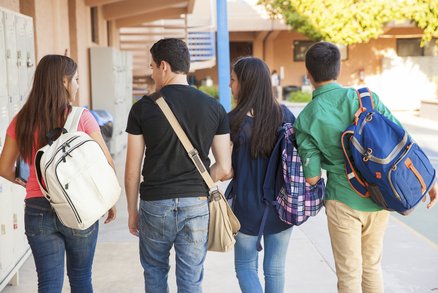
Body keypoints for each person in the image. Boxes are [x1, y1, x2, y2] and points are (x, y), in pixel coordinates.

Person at [293, 42, 438, 293]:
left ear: (308, 74)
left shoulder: (306, 118)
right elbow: (402, 140)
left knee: (349, 272)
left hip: (342, 200)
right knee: (371, 266)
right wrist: (428, 181)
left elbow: (313, 178)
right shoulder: (365, 98)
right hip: (380, 196)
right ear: (338, 69)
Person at [0, 55, 117, 293]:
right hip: (80, 205)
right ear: (64, 82)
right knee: (81, 278)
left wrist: (27, 183)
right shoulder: (81, 117)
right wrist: (108, 199)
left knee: (49, 284)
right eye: (75, 79)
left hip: (37, 209)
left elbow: (3, 168)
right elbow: (106, 162)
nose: (77, 85)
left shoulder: (21, 120)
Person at [124, 38, 232, 293]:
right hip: (196, 203)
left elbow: (131, 172)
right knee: (191, 279)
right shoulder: (214, 108)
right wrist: (200, 180)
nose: (151, 73)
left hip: (154, 204)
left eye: (151, 67)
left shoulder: (142, 109)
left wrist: (132, 212)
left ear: (164, 66)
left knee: (154, 272)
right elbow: (224, 167)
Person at [227, 57, 295, 293]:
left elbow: (226, 170)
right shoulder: (286, 116)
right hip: (283, 206)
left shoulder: (233, 121)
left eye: (233, 80)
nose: (230, 85)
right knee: (275, 268)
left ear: (246, 84)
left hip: (245, 208)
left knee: (245, 266)